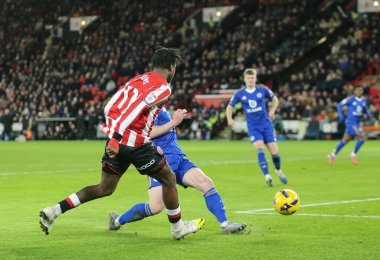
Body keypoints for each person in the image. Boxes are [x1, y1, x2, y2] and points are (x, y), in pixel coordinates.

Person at [39, 47, 205, 240]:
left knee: (104, 188)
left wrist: (112, 133)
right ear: (170, 67)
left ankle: (54, 211)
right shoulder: (163, 87)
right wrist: (117, 138)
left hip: (117, 141)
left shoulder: (138, 79)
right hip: (136, 144)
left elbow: (110, 105)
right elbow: (136, 108)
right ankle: (178, 229)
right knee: (168, 179)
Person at [108, 106, 246, 233]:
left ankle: (225, 224)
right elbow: (146, 133)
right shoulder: (145, 109)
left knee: (207, 183)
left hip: (178, 158)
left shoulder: (159, 105)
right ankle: (116, 220)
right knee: (156, 206)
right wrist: (174, 122)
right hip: (159, 161)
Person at [226, 68, 287, 186]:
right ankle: (267, 176)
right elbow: (229, 107)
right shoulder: (240, 93)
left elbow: (275, 99)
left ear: (255, 78)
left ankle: (278, 170)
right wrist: (229, 118)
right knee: (260, 150)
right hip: (253, 127)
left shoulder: (262, 90)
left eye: (252, 78)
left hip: (266, 125)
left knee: (275, 153)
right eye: (248, 78)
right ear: (244, 79)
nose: (250, 80)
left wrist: (273, 110)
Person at [327, 85, 373, 165]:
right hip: (351, 122)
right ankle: (352, 155)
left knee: (345, 140)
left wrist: (369, 115)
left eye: (361, 90)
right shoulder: (350, 99)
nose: (359, 92)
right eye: (358, 90)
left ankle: (332, 155)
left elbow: (364, 110)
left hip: (357, 123)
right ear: (355, 91)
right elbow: (339, 105)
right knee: (362, 137)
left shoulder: (363, 100)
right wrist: (341, 116)